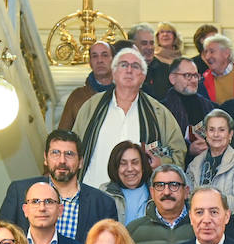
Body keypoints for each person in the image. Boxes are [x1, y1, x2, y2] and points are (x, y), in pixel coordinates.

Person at [74, 47, 186, 188]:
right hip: (93, 192)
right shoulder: (91, 107)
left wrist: (161, 163)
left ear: (143, 76)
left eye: (135, 66)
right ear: (114, 73)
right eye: (123, 65)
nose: (129, 70)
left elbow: (178, 153)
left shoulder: (159, 113)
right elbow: (73, 148)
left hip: (140, 199)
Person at [0, 129, 117, 243]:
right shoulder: (19, 192)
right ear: (45, 158)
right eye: (55, 153)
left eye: (69, 154)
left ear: (80, 162)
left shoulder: (103, 204)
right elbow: (1, 240)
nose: (62, 160)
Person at [128, 165, 194, 244]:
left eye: (174, 185)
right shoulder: (133, 230)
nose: (167, 192)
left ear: (186, 191)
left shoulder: (201, 227)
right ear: (152, 192)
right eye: (160, 185)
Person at [186, 108, 234, 213]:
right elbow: (188, 201)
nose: (216, 135)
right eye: (211, 130)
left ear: (230, 134)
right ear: (206, 134)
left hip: (229, 226)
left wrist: (212, 199)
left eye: (221, 130)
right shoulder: (194, 164)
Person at [160, 57, 216, 161]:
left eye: (196, 76)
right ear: (173, 78)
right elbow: (159, 146)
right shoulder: (162, 109)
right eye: (188, 76)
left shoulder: (209, 106)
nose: (194, 80)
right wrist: (187, 149)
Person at [59, 42, 115, 130]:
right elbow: (63, 135)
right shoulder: (77, 96)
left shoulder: (124, 94)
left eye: (105, 55)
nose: (100, 60)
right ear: (90, 62)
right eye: (95, 56)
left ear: (113, 60)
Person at [102, 141, 153, 226]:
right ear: (115, 168)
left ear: (143, 166)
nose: (130, 169)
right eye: (123, 163)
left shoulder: (158, 190)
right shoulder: (104, 193)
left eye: (135, 162)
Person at [200, 34, 234, 105]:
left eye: (212, 52)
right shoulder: (202, 82)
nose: (207, 57)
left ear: (226, 53)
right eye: (206, 52)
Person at [129, 23, 171, 100]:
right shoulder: (125, 71)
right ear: (133, 46)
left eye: (151, 43)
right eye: (144, 43)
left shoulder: (166, 70)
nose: (149, 47)